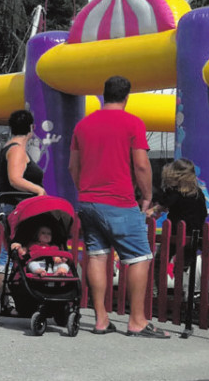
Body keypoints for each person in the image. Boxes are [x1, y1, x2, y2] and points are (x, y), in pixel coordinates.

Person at [70, 75, 168, 338]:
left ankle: (101, 319)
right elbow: (141, 165)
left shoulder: (83, 125)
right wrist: (147, 195)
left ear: (104, 95)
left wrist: (85, 190)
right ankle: (136, 320)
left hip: (88, 201)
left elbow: (73, 166)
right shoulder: (132, 123)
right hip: (119, 201)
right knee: (139, 257)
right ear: (127, 97)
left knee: (98, 255)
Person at [0, 109, 46, 297]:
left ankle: (11, 294)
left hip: (16, 206)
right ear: (31, 129)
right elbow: (15, 179)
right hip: (16, 207)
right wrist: (38, 190)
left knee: (13, 250)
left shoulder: (11, 147)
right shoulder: (16, 150)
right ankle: (2, 296)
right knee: (8, 252)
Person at [148, 158, 209, 260]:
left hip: (176, 233)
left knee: (161, 259)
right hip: (195, 233)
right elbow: (204, 213)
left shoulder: (174, 192)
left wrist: (153, 210)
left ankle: (158, 273)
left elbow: (163, 204)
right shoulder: (198, 193)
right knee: (186, 262)